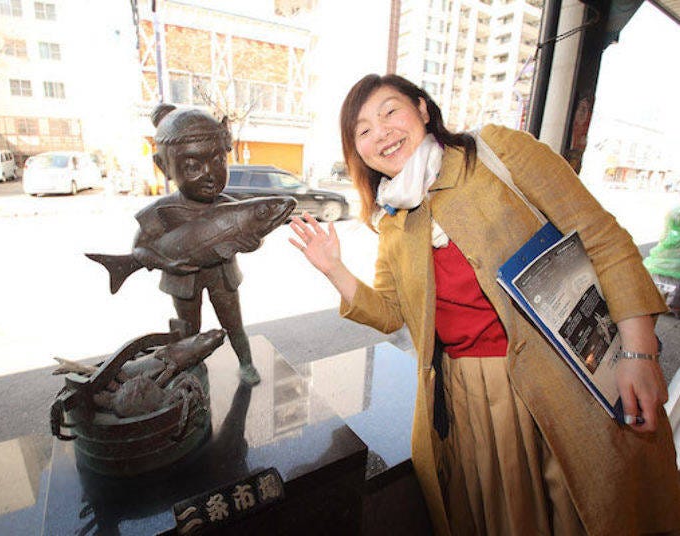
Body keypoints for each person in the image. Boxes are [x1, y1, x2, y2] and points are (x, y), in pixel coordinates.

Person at [289, 74, 680, 535]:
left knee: (595, 507)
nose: (382, 133)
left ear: (423, 109)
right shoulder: (392, 224)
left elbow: (600, 235)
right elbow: (391, 313)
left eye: (390, 112)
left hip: (567, 373)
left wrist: (639, 350)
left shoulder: (495, 152)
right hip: (474, 397)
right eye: (364, 130)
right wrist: (335, 269)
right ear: (359, 151)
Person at [134, 104, 260, 385]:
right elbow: (140, 249)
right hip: (183, 280)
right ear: (163, 166)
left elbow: (251, 233)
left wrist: (251, 242)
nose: (210, 173)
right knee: (189, 331)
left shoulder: (229, 207)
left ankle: (246, 362)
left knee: (234, 323)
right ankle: (194, 369)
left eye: (218, 161)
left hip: (222, 276)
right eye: (192, 166)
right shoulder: (160, 212)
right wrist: (165, 262)